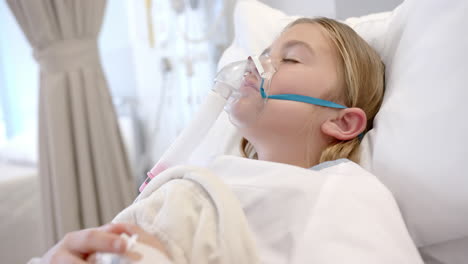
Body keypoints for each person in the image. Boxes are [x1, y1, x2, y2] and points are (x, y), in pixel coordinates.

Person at [35, 17, 385, 263]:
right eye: (264, 54)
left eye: (289, 58)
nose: (256, 64)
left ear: (342, 121)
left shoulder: (344, 195)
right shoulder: (215, 178)